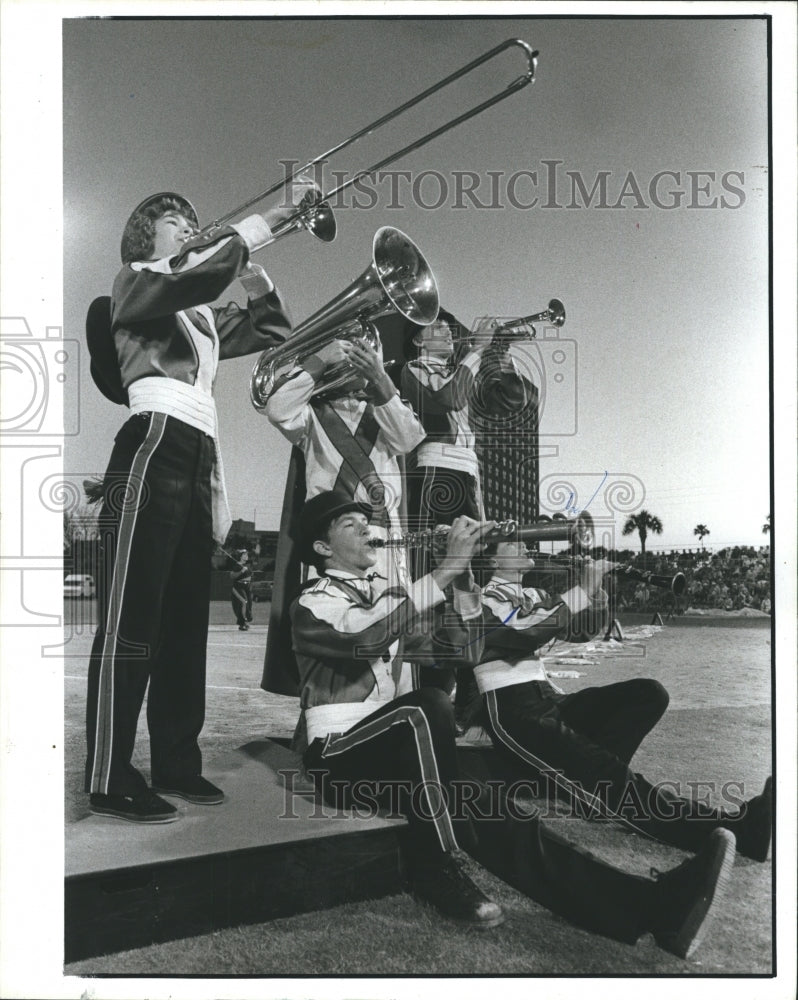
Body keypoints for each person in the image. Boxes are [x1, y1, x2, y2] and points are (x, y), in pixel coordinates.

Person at [287, 490, 739, 959]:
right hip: (337, 755)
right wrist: (441, 571)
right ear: (323, 550)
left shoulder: (394, 596)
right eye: (350, 525)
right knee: (427, 705)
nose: (368, 529)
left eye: (367, 520)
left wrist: (460, 574)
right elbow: (361, 636)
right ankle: (434, 863)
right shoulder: (313, 602)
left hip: (405, 752)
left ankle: (653, 908)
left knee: (503, 816)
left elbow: (463, 651)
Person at [84, 179, 314, 823]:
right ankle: (107, 773)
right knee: (133, 619)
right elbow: (192, 281)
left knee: (185, 621)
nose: (187, 225)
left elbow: (274, 330)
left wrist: (259, 277)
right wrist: (258, 225)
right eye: (172, 220)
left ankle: (176, 763)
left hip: (198, 448)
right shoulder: (133, 280)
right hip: (152, 442)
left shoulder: (197, 312)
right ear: (144, 236)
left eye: (190, 219)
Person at [463, 538, 773, 861]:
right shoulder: (483, 601)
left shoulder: (534, 595)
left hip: (548, 697)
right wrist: (580, 590)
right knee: (608, 771)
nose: (524, 547)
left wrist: (594, 592)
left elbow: (581, 631)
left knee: (649, 694)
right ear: (494, 563)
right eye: (512, 546)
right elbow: (524, 630)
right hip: (512, 710)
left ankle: (595, 796)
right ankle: (738, 830)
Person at [260, 334, 426, 696]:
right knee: (339, 627)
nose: (357, 361)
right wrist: (318, 361)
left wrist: (381, 379)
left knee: (394, 625)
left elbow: (410, 438)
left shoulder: (384, 407)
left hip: (385, 537)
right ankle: (333, 712)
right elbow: (276, 409)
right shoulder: (311, 414)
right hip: (334, 541)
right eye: (350, 355)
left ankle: (398, 708)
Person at [401, 309, 531, 717]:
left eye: (447, 328)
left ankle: (472, 688)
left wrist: (501, 358)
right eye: (435, 327)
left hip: (468, 474)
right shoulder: (410, 368)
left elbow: (513, 400)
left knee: (469, 584)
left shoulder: (464, 370)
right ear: (418, 341)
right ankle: (433, 691)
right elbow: (444, 400)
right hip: (436, 474)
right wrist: (476, 352)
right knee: (438, 579)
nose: (445, 331)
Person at [230, 549, 253, 631]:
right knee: (244, 602)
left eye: (247, 554)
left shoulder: (248, 564)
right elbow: (232, 576)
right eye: (244, 554)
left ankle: (243, 623)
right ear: (240, 556)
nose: (246, 556)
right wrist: (241, 571)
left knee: (249, 604)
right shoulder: (237, 565)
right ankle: (244, 622)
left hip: (247, 586)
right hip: (238, 586)